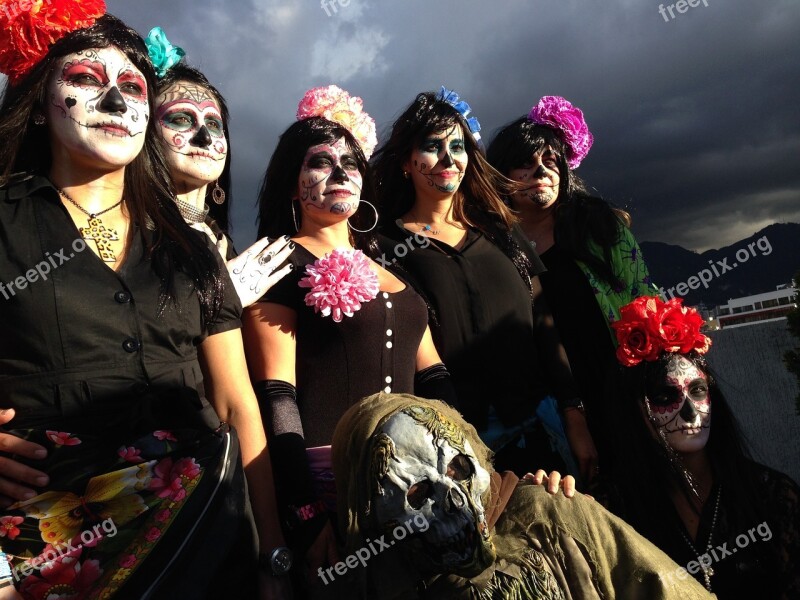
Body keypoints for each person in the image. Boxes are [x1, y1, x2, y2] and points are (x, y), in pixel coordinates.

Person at [0, 6, 288, 598]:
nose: (113, 101)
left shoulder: (190, 248)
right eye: (85, 79)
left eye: (132, 87)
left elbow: (236, 406)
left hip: (208, 535)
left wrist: (273, 553)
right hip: (48, 547)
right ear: (38, 104)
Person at [242, 85, 456, 597]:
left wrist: (464, 458)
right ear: (293, 184)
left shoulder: (391, 262)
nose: (341, 173)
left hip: (419, 480)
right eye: (321, 161)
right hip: (333, 491)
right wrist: (305, 511)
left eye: (351, 163)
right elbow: (276, 395)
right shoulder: (273, 264)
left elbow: (435, 377)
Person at [372, 87, 595, 480]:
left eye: (457, 146)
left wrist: (574, 416)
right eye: (431, 145)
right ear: (406, 161)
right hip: (450, 451)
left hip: (540, 437)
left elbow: (544, 326)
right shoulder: (383, 246)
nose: (448, 158)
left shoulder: (502, 231)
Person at [330, 392, 713, 599]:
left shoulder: (547, 512)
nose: (456, 500)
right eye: (417, 492)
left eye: (458, 469)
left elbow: (665, 587)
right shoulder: (378, 582)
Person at [487, 96, 658, 484]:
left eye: (550, 161)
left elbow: (645, 297)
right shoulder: (493, 248)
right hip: (547, 408)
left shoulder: (599, 227)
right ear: (501, 176)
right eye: (525, 163)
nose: (540, 171)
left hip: (621, 386)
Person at [605, 295, 799, 598]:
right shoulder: (619, 510)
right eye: (665, 396)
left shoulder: (771, 496)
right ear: (638, 411)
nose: (690, 412)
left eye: (697, 391)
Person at [147, 27, 293, 308]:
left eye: (213, 125)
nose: (204, 137)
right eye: (181, 119)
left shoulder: (219, 240)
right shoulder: (133, 234)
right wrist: (222, 300)